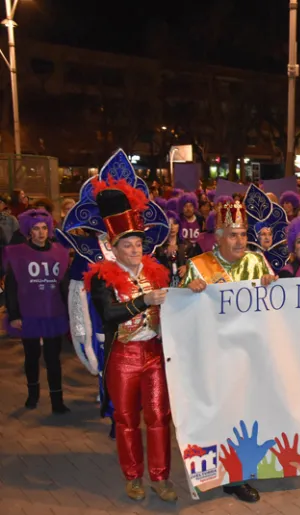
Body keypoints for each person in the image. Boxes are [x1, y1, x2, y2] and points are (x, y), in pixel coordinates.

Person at [84, 180, 177, 502]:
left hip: (154, 354)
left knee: (159, 417)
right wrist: (144, 300)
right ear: (113, 248)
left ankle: (161, 477)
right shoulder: (101, 277)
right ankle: (133, 476)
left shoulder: (156, 272)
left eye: (138, 244)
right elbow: (109, 314)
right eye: (128, 245)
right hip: (123, 357)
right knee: (126, 419)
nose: (135, 250)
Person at [181, 198, 276, 503]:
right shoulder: (198, 266)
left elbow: (274, 307)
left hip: (248, 355)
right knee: (216, 416)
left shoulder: (256, 262)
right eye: (233, 235)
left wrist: (271, 284)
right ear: (218, 237)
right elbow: (177, 313)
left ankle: (239, 473)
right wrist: (188, 291)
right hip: (212, 357)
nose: (240, 241)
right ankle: (213, 473)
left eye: (244, 234)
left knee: (245, 415)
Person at [4, 208, 71, 413]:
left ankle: (57, 401)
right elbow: (11, 288)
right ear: (28, 231)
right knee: (31, 357)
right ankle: (32, 396)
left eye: (44, 228)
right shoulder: (18, 254)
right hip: (29, 313)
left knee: (53, 359)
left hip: (53, 313)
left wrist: (70, 312)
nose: (41, 233)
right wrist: (14, 315)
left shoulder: (59, 252)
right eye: (36, 229)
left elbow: (65, 286)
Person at [154, 211, 192, 288]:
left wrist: (187, 267)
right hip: (165, 287)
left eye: (175, 223)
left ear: (179, 226)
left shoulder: (187, 245)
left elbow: (196, 264)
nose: (172, 227)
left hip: (184, 286)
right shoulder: (157, 247)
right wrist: (164, 253)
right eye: (168, 224)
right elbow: (153, 268)